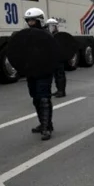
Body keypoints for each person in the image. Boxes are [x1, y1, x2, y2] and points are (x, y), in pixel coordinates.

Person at [24, 8, 55, 141]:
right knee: (36, 98)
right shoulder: (26, 36)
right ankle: (44, 123)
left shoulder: (46, 35)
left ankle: (46, 128)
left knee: (44, 98)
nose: (31, 23)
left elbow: (52, 53)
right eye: (29, 20)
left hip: (44, 71)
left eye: (33, 20)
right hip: (31, 71)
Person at [45, 18, 67, 98]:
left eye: (51, 26)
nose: (50, 27)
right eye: (49, 26)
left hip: (58, 58)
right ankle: (59, 90)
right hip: (52, 58)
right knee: (56, 75)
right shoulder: (48, 34)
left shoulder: (58, 36)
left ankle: (61, 91)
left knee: (59, 74)